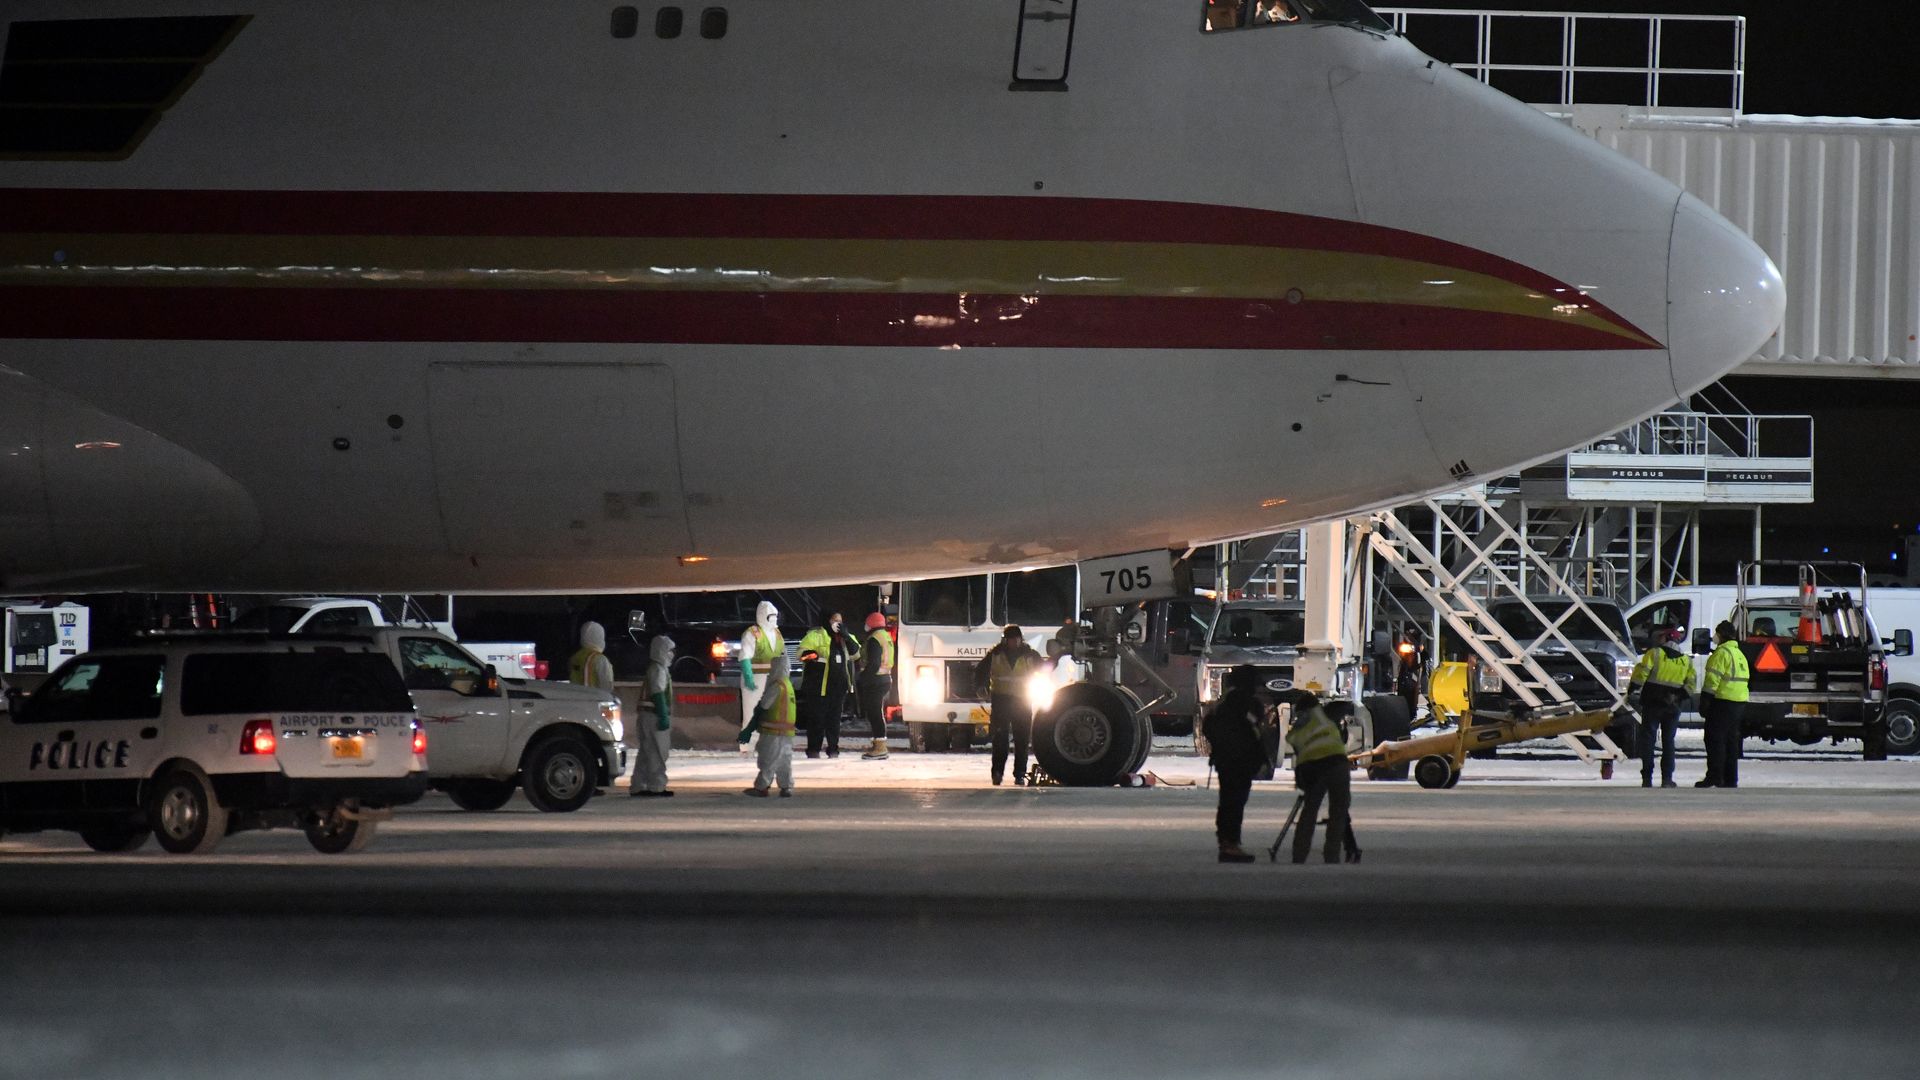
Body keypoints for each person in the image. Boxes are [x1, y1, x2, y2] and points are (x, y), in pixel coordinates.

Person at [1203, 664, 1269, 863]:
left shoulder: (1224, 702)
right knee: (1234, 802)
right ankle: (1230, 844)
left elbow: (1209, 726)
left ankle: (1228, 842)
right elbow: (1252, 732)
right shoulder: (1243, 702)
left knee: (1229, 801)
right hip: (1237, 761)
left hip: (1228, 760)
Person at [1283, 689, 1352, 865]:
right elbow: (1345, 707)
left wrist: (1301, 778)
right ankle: (1332, 856)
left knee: (1309, 812)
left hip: (1315, 768)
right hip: (1338, 764)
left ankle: (1299, 856)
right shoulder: (1327, 716)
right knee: (1338, 812)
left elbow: (1296, 746)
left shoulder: (1300, 724)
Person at [1628, 625, 1696, 788]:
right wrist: (1678, 696)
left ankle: (1647, 778)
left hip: (1653, 702)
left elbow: (1641, 673)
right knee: (1668, 741)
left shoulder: (1654, 654)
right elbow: (1691, 685)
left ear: (1665, 639)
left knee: (1649, 740)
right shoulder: (1686, 660)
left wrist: (1633, 689)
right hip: (1673, 705)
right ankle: (1667, 778)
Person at [976, 625, 1042, 786]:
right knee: (1000, 739)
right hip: (1001, 701)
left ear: (1021, 639)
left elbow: (1045, 667)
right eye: (1011, 639)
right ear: (1005, 640)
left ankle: (1019, 774)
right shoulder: (995, 655)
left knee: (1022, 740)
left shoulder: (1030, 655)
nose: (1014, 642)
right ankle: (997, 773)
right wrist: (981, 686)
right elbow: (981, 671)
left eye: (1016, 639)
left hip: (1022, 702)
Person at [797, 612, 858, 759]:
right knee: (816, 719)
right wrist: (811, 655)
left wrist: (846, 637)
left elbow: (856, 654)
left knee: (834, 721)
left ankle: (833, 750)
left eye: (840, 620)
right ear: (827, 620)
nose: (837, 623)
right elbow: (800, 655)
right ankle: (813, 750)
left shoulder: (846, 636)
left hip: (839, 687)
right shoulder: (815, 635)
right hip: (818, 686)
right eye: (834, 620)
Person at [1698, 620, 1750, 788]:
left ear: (1721, 635)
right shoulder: (1739, 654)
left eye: (1717, 633)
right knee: (1731, 742)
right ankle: (1730, 779)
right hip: (1739, 704)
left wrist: (1705, 701)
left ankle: (1714, 776)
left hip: (1722, 702)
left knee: (1715, 740)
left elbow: (1712, 680)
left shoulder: (1722, 653)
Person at [740, 656, 797, 797]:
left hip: (772, 732)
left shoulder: (777, 686)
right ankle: (786, 786)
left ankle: (762, 787)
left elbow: (764, 705)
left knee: (768, 759)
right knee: (784, 761)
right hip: (787, 732)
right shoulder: (788, 685)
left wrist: (750, 726)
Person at [631, 633, 675, 797]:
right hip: (654, 716)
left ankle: (639, 785)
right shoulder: (659, 669)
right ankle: (656, 786)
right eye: (669, 650)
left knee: (646, 752)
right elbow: (658, 693)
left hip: (645, 716)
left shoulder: (653, 668)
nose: (671, 654)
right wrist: (663, 715)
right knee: (657, 752)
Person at [737, 601, 784, 729]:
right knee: (751, 713)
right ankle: (749, 744)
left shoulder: (777, 634)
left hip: (773, 679)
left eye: (775, 616)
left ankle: (766, 744)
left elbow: (782, 656)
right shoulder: (752, 633)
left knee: (770, 713)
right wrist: (748, 677)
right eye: (771, 616)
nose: (774, 619)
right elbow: (745, 656)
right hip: (756, 677)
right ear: (763, 616)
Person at [857, 612, 893, 760]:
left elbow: (874, 663)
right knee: (876, 712)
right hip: (885, 678)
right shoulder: (885, 636)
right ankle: (879, 745)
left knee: (875, 713)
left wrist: (863, 678)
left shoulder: (874, 639)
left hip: (876, 680)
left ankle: (880, 747)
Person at [567, 621, 615, 691]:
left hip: (576, 698)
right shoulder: (600, 659)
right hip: (593, 699)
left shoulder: (575, 657)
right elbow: (607, 686)